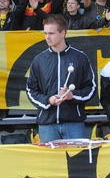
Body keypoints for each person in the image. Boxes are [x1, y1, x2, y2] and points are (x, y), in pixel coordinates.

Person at [26, 14, 96, 143]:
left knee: (77, 162)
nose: (47, 37)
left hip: (74, 123)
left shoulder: (80, 58)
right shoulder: (39, 60)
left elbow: (91, 89)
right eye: (45, 33)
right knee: (50, 163)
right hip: (47, 124)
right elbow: (31, 90)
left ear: (63, 32)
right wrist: (49, 100)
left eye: (51, 33)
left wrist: (72, 96)